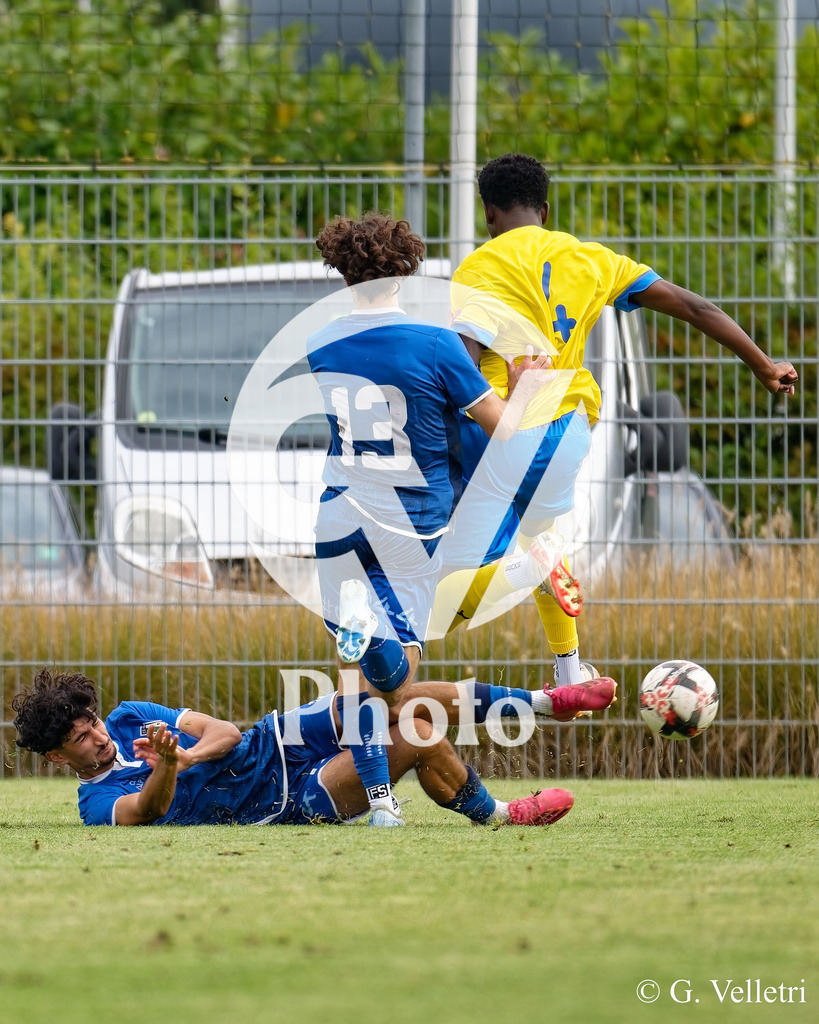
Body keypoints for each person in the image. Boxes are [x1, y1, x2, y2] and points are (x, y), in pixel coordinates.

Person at [434, 152, 798, 690]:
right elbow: (695, 307)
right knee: (541, 538)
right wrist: (764, 365)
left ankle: (513, 580)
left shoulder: (480, 268)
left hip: (502, 433)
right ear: (545, 210)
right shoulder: (592, 259)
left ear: (488, 214)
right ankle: (569, 670)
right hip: (568, 433)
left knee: (446, 603)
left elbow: (462, 371)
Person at [308, 211, 586, 825]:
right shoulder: (434, 344)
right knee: (395, 674)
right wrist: (524, 385)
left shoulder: (320, 345)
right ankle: (378, 638)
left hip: (338, 515)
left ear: (344, 274)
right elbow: (504, 431)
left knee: (353, 681)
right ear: (406, 271)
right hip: (409, 523)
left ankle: (380, 806)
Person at [11, 667, 618, 828]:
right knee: (419, 734)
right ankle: (503, 815)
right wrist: (168, 767)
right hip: (287, 798)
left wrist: (188, 754)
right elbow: (148, 810)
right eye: (80, 738)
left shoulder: (128, 718)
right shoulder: (95, 806)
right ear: (56, 758)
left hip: (274, 739)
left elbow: (225, 733)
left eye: (92, 722)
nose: (97, 736)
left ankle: (543, 702)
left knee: (379, 694)